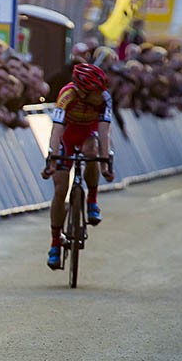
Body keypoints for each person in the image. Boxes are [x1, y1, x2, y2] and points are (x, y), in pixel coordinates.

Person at [41, 63, 115, 270]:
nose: (100, 95)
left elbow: (104, 134)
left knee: (92, 151)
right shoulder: (67, 94)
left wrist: (105, 163)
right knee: (60, 190)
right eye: (95, 92)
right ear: (82, 91)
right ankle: (55, 243)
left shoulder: (104, 98)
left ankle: (92, 200)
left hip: (88, 135)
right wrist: (52, 158)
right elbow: (56, 129)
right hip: (67, 135)